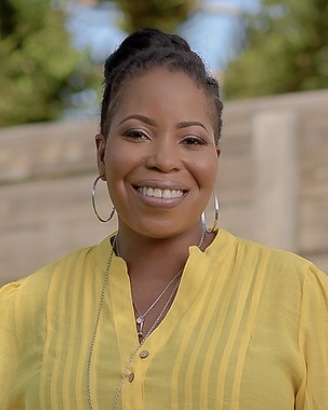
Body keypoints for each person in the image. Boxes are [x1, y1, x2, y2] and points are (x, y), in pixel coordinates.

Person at [0, 28, 327, 410]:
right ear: (102, 154)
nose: (165, 160)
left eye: (191, 140)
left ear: (215, 160)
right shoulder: (21, 311)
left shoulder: (299, 296)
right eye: (137, 134)